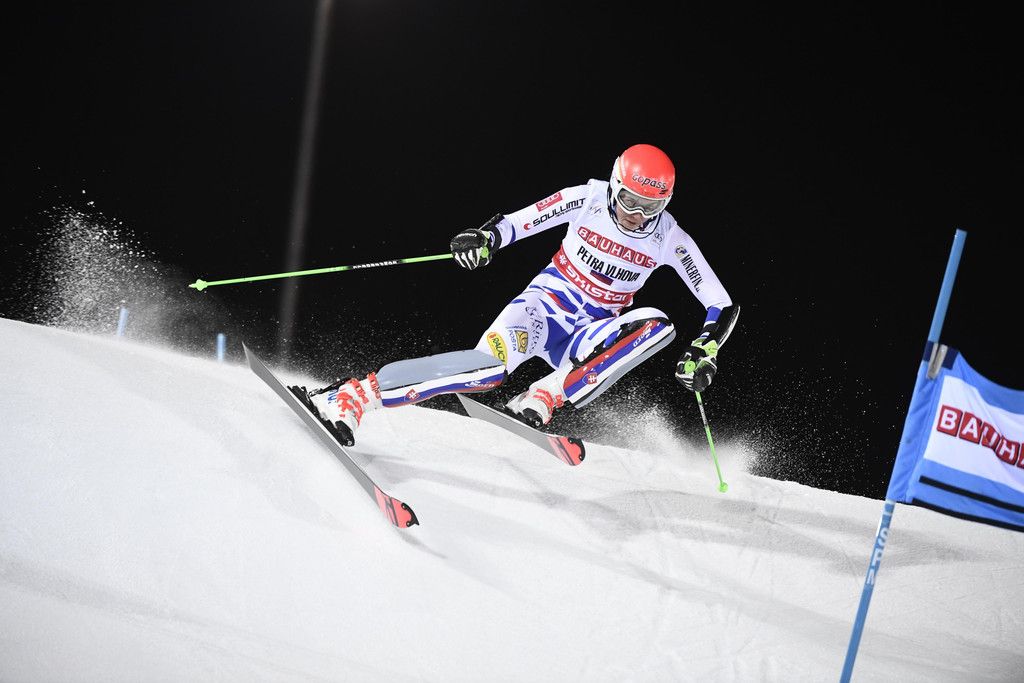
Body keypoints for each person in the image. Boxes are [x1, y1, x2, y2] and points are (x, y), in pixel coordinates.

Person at [303, 143, 739, 446]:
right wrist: (485, 238)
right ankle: (351, 396)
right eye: (629, 201)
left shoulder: (668, 238)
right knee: (484, 371)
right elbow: (516, 223)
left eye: (650, 207)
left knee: (659, 326)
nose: (636, 215)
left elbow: (720, 303)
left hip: (587, 336)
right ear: (614, 184)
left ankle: (544, 395)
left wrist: (706, 347)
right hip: (540, 313)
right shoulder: (585, 199)